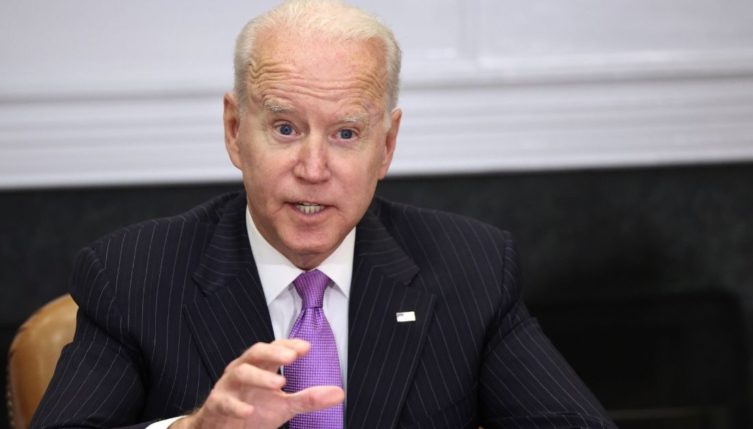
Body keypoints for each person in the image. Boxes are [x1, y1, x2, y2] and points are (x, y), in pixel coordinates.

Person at [31, 1, 617, 428]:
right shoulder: (131, 275)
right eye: (285, 128)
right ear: (236, 132)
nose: (313, 168)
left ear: (385, 146)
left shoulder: (473, 269)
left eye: (345, 133)